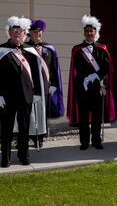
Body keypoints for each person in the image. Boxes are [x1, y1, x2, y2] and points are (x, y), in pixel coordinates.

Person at [67, 15, 115, 150]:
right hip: (82, 87)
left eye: (92, 31)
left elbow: (106, 67)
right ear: (84, 32)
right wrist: (86, 78)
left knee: (97, 117)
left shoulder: (102, 48)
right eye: (87, 31)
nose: (89, 33)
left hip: (97, 87)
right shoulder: (77, 49)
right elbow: (76, 68)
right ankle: (84, 142)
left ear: (95, 33)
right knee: (83, 117)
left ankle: (96, 140)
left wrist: (96, 75)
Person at [0, 16, 40, 167]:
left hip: (26, 95)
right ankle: (6, 158)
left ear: (25, 33)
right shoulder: (1, 50)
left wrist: (36, 92)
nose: (17, 33)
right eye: (14, 30)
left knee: (24, 128)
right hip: (7, 97)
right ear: (9, 32)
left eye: (20, 31)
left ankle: (24, 155)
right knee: (6, 129)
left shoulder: (30, 51)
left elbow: (36, 73)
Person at [25, 19, 64, 147]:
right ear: (29, 33)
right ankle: (30, 136)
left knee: (43, 113)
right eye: (35, 32)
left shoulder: (49, 48)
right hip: (30, 87)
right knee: (31, 113)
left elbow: (54, 67)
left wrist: (53, 85)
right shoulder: (24, 48)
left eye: (39, 32)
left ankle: (40, 137)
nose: (38, 34)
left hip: (45, 87)